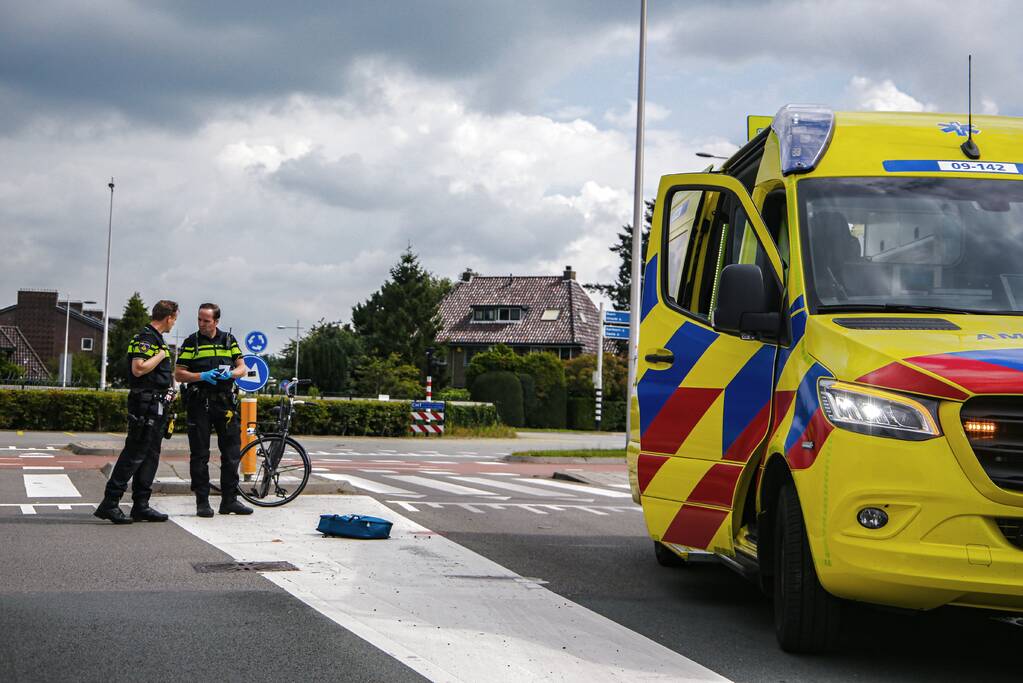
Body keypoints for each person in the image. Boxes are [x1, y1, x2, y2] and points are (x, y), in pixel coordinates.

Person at [94, 300, 179, 524]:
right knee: (135, 453)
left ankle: (141, 505)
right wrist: (161, 356)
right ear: (169, 317)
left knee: (150, 455)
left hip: (157, 403)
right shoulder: (146, 338)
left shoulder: (156, 338)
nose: (174, 324)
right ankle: (110, 503)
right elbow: (138, 368)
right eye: (174, 319)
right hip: (146, 404)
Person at [174, 303, 252, 517]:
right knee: (200, 454)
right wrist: (202, 376)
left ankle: (230, 501)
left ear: (216, 321)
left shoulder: (229, 340)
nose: (201, 324)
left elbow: (242, 367)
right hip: (199, 403)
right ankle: (202, 502)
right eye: (199, 319)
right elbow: (179, 374)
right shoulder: (192, 342)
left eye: (206, 321)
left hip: (225, 403)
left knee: (231, 454)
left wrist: (233, 374)